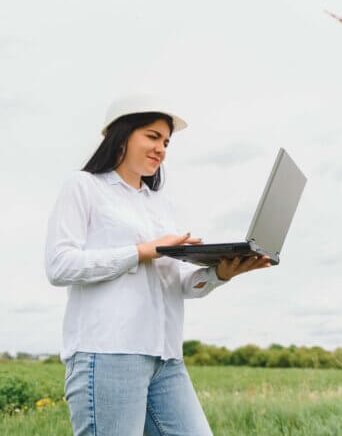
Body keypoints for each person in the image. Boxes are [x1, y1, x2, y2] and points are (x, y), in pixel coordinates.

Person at [45, 95, 271, 436]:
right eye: (152, 136)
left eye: (166, 142)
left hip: (165, 357)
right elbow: (59, 266)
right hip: (108, 354)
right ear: (120, 135)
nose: (161, 149)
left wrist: (221, 273)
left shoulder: (160, 205)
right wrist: (141, 251)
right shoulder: (83, 187)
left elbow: (176, 283)